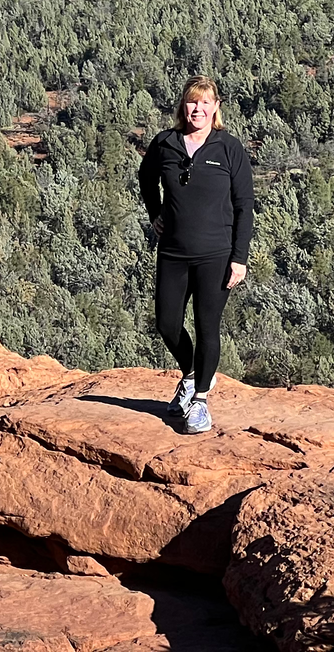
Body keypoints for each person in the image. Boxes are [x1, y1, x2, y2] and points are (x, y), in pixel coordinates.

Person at [138, 76, 252, 434]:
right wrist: (155, 212)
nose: (197, 110)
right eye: (191, 103)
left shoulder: (228, 148)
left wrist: (240, 257)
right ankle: (190, 374)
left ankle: (200, 400)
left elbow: (245, 206)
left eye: (205, 103)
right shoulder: (165, 144)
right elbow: (146, 178)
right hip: (173, 251)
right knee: (166, 324)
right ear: (182, 107)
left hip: (216, 255)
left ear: (215, 108)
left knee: (207, 327)